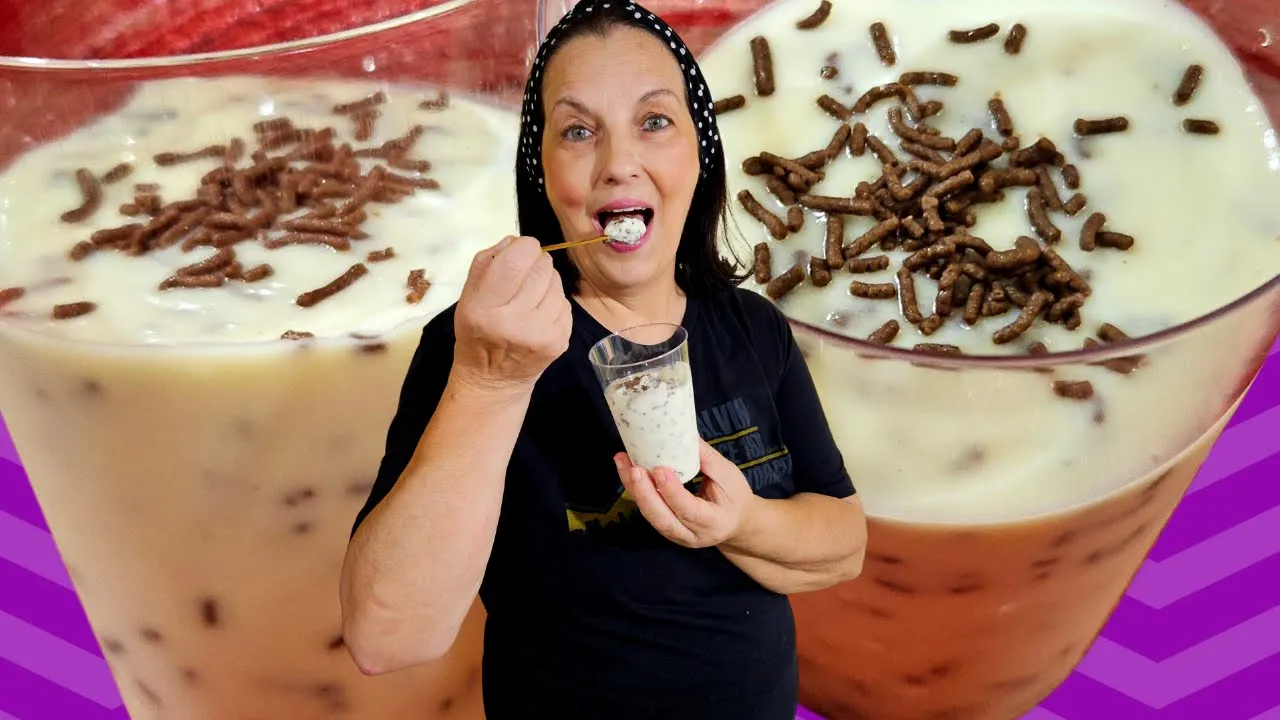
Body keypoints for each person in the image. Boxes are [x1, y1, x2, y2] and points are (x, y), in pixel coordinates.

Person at [339, 2, 868, 718]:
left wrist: (739, 523)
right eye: (579, 131)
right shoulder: (483, 344)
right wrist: (490, 381)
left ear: (699, 154)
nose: (619, 164)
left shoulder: (754, 329)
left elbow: (843, 546)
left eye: (654, 121)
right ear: (543, 171)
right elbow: (385, 635)